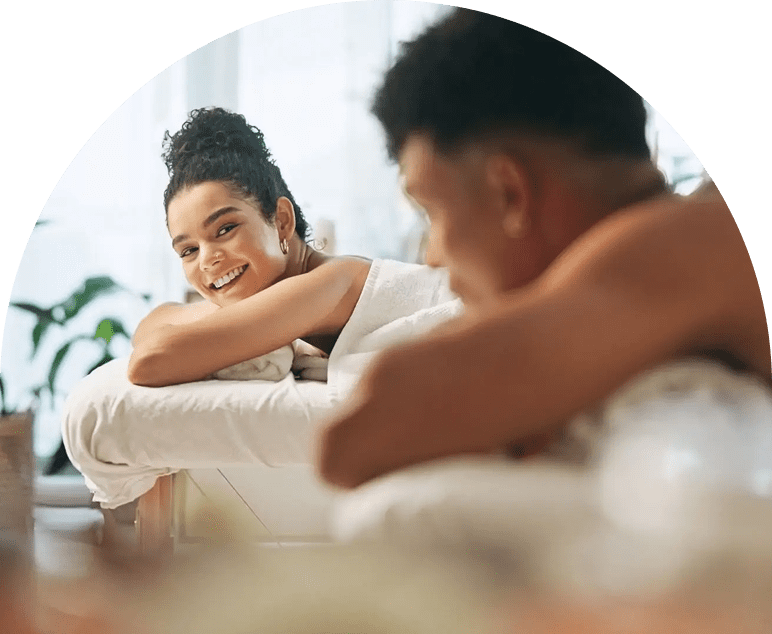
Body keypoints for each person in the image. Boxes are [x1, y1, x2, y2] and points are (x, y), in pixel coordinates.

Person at [316, 8, 770, 489]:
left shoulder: (681, 245)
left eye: (432, 211)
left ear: (510, 193)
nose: (433, 257)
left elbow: (355, 440)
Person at [128, 107, 371, 387]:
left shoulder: (338, 280)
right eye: (189, 250)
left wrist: (209, 321)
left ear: (281, 221)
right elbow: (147, 327)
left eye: (225, 229)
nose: (207, 260)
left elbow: (150, 358)